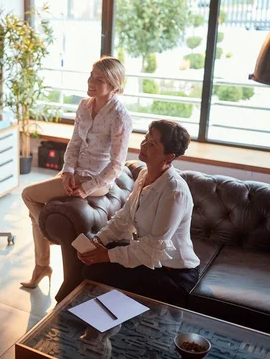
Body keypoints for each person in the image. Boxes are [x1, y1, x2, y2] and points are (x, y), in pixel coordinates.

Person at [21, 56, 132, 290]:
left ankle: (43, 257)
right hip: (77, 172)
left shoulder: (120, 116)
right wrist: (67, 171)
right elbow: (74, 144)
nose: (91, 82)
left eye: (99, 79)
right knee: (35, 213)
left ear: (113, 85)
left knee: (28, 195)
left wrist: (87, 188)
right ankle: (42, 265)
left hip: (98, 179)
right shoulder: (84, 105)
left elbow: (116, 164)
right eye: (91, 75)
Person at [78, 120, 200, 307]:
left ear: (169, 156)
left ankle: (98, 324)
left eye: (152, 144)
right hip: (149, 260)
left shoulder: (174, 192)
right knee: (91, 264)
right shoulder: (144, 175)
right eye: (146, 138)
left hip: (173, 272)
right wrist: (99, 241)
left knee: (97, 270)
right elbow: (125, 217)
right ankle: (86, 320)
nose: (144, 145)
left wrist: (106, 255)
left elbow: (153, 246)